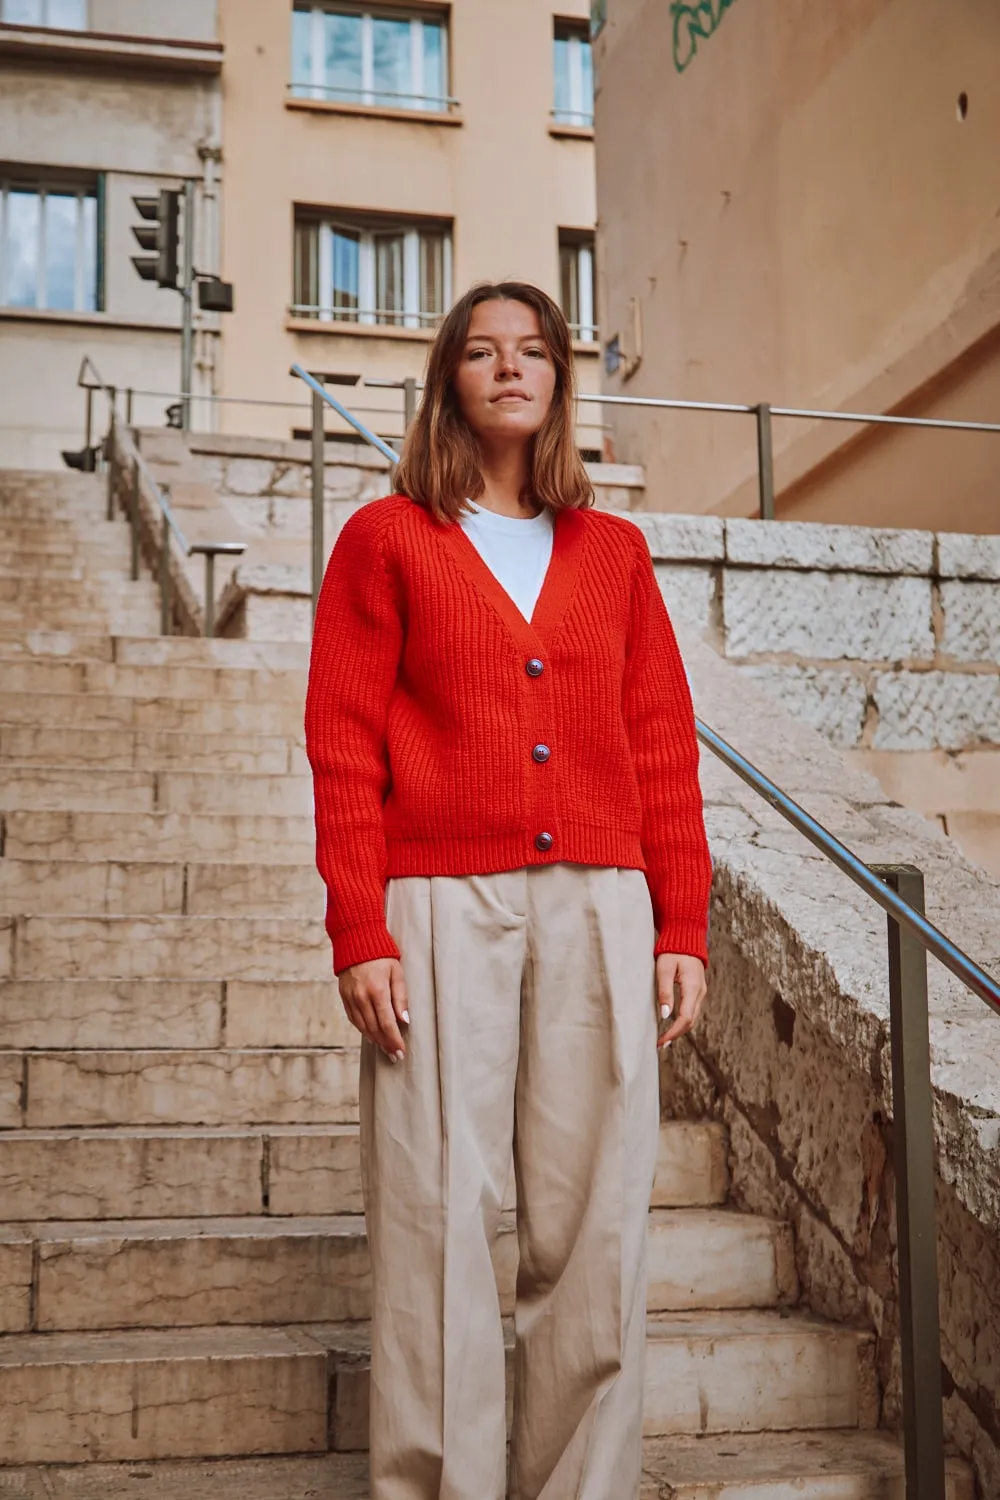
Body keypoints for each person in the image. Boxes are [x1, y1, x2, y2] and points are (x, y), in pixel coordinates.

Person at [304, 280, 712, 1500]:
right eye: (480, 351)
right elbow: (342, 743)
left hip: (599, 899)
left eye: (532, 349)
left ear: (557, 382)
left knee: (594, 1229)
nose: (508, 368)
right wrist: (357, 926)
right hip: (437, 902)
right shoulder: (386, 540)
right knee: (432, 1214)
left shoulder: (614, 553)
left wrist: (680, 921)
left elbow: (660, 744)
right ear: (450, 379)